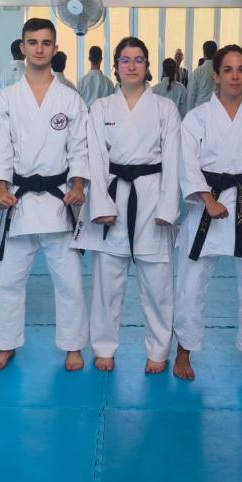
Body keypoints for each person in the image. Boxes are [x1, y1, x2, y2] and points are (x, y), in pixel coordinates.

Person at [0, 18, 90, 371]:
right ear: (23, 47)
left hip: (59, 201)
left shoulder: (70, 99)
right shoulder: (6, 98)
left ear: (55, 49)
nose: (39, 49)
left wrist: (78, 186)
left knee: (69, 281)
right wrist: (0, 188)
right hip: (20, 200)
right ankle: (5, 344)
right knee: (9, 280)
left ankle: (73, 346)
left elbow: (80, 148)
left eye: (46, 43)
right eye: (33, 42)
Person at [173, 45, 242, 383]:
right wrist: (207, 200)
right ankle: (184, 350)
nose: (235, 76)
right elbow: (187, 164)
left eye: (241, 70)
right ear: (216, 76)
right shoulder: (197, 118)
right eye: (228, 70)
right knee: (191, 284)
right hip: (207, 203)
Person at [73, 37, 180, 374]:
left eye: (138, 60)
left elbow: (174, 160)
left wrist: (168, 208)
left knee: (158, 284)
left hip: (153, 196)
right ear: (116, 67)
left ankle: (158, 350)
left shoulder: (165, 108)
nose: (132, 66)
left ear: (147, 66)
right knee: (107, 282)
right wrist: (100, 205)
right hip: (113, 194)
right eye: (125, 60)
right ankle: (104, 347)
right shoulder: (102, 107)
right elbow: (95, 157)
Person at [184, 40, 218, 112]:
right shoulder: (221, 72)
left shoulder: (197, 73)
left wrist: (189, 115)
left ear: (204, 53)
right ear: (216, 53)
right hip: (217, 111)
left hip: (200, 112)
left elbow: (191, 97)